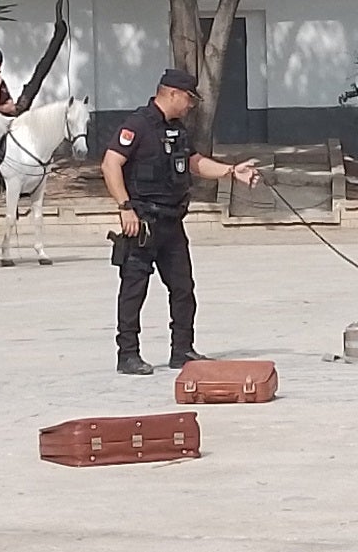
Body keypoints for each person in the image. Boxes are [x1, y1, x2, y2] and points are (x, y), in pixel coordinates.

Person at [101, 68, 262, 375]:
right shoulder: (137, 125)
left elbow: (194, 162)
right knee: (134, 289)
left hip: (172, 222)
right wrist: (125, 208)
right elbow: (111, 164)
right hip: (143, 222)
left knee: (183, 287)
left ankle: (182, 351)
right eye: (189, 98)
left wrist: (231, 171)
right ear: (172, 93)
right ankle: (128, 354)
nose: (191, 104)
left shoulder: (178, 130)